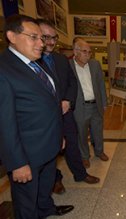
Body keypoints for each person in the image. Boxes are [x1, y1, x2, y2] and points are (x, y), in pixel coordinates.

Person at [0, 14, 73, 219]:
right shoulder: (4, 70)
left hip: (48, 145)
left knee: (45, 186)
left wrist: (59, 137)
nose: (41, 43)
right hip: (26, 153)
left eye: (42, 38)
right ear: (12, 36)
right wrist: (17, 163)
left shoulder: (36, 63)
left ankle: (46, 209)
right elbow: (5, 123)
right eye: (34, 37)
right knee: (25, 202)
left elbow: (51, 104)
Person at [37, 19, 100, 194]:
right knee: (51, 150)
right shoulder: (32, 60)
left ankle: (80, 174)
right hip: (44, 117)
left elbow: (72, 82)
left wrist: (67, 100)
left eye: (54, 38)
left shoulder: (60, 59)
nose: (50, 42)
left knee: (72, 144)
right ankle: (55, 179)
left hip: (65, 113)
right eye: (45, 37)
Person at [69, 38, 108, 169]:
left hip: (96, 105)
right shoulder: (69, 66)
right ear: (75, 51)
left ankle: (99, 151)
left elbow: (101, 85)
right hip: (80, 107)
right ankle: (85, 157)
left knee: (98, 130)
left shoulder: (95, 64)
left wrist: (104, 103)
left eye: (89, 52)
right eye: (85, 51)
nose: (88, 55)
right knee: (82, 133)